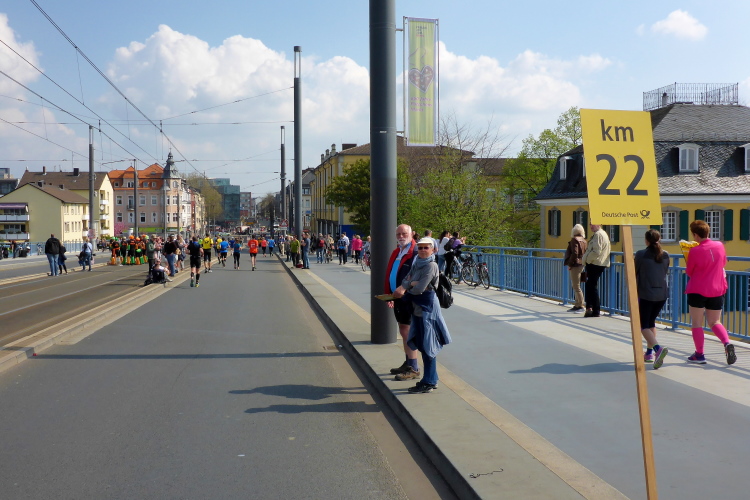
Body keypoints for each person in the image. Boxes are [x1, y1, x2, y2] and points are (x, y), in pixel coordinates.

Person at [393, 237, 452, 393]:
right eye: (420, 248)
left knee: (428, 345)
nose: (423, 250)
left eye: (426, 248)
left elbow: (419, 288)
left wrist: (411, 284)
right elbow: (406, 281)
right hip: (418, 308)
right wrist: (411, 283)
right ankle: (431, 378)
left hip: (427, 310)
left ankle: (429, 381)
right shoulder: (417, 263)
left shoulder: (431, 265)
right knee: (422, 343)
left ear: (433, 249)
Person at [685, 220, 736, 365]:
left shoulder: (694, 251)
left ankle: (699, 354)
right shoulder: (720, 245)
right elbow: (723, 263)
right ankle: (726, 343)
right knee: (714, 322)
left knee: (697, 323)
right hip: (717, 289)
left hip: (698, 289)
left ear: (695, 235)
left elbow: (689, 271)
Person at [385, 224, 420, 381]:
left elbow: (417, 276)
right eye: (398, 234)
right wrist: (389, 294)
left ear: (412, 234)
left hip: (408, 298)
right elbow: (390, 273)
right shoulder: (397, 251)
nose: (400, 236)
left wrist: (404, 290)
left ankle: (413, 367)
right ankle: (408, 362)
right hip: (398, 297)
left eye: (404, 233)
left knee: (408, 331)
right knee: (403, 329)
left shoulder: (415, 252)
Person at [634, 229, 670, 369]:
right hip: (662, 294)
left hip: (646, 293)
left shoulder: (641, 254)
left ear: (646, 240)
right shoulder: (665, 254)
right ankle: (649, 354)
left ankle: (657, 349)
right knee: (651, 323)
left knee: (643, 325)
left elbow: (634, 271)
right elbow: (664, 270)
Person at [582, 224, 611, 318]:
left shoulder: (598, 234)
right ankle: (590, 308)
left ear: (599, 224)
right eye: (590, 224)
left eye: (593, 224)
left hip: (595, 263)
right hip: (598, 263)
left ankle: (595, 310)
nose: (591, 226)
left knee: (592, 286)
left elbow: (596, 251)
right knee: (590, 285)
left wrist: (587, 260)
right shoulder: (601, 233)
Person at [563, 224, 588, 313]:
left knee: (576, 286)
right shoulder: (584, 241)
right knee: (577, 285)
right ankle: (577, 304)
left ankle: (580, 305)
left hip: (575, 264)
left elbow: (575, 253)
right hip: (582, 263)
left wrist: (570, 264)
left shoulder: (574, 240)